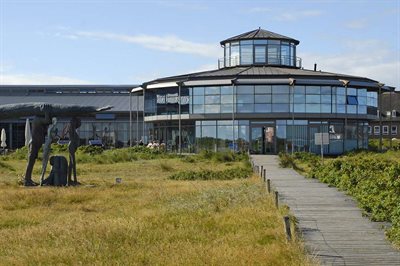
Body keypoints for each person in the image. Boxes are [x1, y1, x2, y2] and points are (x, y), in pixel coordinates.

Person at [24, 104, 52, 186]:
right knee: (30, 162)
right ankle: (27, 180)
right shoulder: (37, 119)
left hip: (37, 143)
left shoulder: (39, 119)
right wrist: (47, 112)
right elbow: (48, 121)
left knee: (32, 162)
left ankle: (28, 179)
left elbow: (47, 123)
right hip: (34, 143)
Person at [40, 117, 58, 185]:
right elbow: (52, 137)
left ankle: (42, 179)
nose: (55, 122)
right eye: (54, 120)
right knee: (44, 162)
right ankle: (41, 179)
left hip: (48, 145)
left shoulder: (53, 128)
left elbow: (53, 137)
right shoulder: (52, 128)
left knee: (45, 162)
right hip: (47, 145)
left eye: (56, 120)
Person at [68, 117, 81, 185]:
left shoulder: (73, 130)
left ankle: (70, 180)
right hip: (72, 146)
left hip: (73, 146)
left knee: (71, 164)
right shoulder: (71, 129)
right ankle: (74, 180)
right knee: (73, 164)